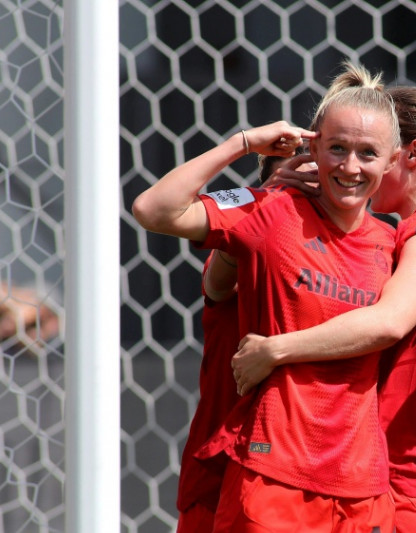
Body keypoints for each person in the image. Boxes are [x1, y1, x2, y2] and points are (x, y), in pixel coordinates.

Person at [133, 61, 402, 532]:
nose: (349, 167)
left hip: (361, 486)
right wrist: (244, 144)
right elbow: (154, 210)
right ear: (312, 148)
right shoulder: (271, 213)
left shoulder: (393, 243)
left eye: (367, 153)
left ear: (393, 159)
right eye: (336, 149)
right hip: (267, 471)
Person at [229, 85, 416, 532]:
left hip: (406, 480)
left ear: (406, 155)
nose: (357, 168)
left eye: (374, 151)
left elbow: (389, 322)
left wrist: (275, 349)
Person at [173, 153, 300, 532]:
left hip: (308, 477)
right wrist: (272, 192)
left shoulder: (349, 260)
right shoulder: (238, 255)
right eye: (290, 187)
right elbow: (217, 282)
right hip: (219, 472)